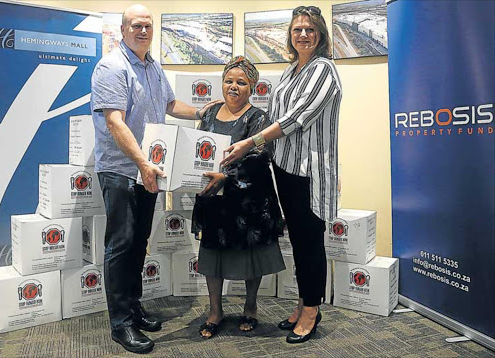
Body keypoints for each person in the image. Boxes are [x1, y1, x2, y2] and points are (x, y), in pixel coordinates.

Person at [90, 4, 216, 354]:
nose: (143, 31)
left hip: (149, 171)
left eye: (147, 25)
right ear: (123, 29)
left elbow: (172, 105)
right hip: (121, 170)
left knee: (138, 242)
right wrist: (143, 163)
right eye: (136, 26)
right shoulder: (112, 67)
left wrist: (205, 111)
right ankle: (121, 325)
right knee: (121, 246)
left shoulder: (153, 66)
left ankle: (133, 307)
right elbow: (115, 122)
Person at [221, 6, 342, 344]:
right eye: (297, 29)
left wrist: (250, 141)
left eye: (310, 29)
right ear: (290, 35)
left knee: (310, 243)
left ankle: (312, 311)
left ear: (320, 35)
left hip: (309, 172)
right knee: (299, 242)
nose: (302, 34)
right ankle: (304, 301)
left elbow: (295, 120)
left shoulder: (324, 70)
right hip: (285, 169)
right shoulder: (290, 71)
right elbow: (274, 113)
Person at [191, 56, 285, 339]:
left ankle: (250, 306)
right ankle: (215, 311)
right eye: (229, 81)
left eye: (241, 82)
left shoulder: (258, 118)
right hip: (214, 200)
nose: (234, 87)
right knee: (212, 254)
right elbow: (199, 149)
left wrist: (227, 177)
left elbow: (261, 157)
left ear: (252, 87)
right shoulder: (209, 114)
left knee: (250, 255)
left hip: (248, 200)